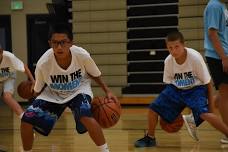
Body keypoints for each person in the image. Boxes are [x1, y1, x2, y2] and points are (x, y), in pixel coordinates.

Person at [20, 23, 118, 152]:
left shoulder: (82, 55)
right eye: (55, 43)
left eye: (63, 42)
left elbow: (94, 74)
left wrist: (107, 91)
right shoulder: (43, 63)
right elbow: (37, 90)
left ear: (71, 43)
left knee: (86, 116)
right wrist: (32, 96)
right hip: (53, 94)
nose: (59, 47)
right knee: (26, 120)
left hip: (79, 90)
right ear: (50, 43)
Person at [134, 31, 228, 148]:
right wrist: (169, 109)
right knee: (153, 108)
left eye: (177, 47)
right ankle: (150, 138)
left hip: (196, 89)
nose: (173, 51)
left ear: (184, 45)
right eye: (170, 48)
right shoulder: (168, 61)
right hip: (176, 89)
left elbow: (207, 83)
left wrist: (211, 109)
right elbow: (168, 86)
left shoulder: (194, 58)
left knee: (206, 114)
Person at [204, 0, 228, 144]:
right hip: (218, 56)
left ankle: (198, 116)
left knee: (224, 93)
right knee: (225, 94)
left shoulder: (222, 6)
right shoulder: (214, 5)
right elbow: (212, 33)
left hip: (224, 54)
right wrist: (224, 57)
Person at [0, 44, 35, 118]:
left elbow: (24, 67)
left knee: (7, 96)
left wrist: (33, 81)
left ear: (1, 52)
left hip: (9, 77)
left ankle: (24, 116)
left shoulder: (9, 57)